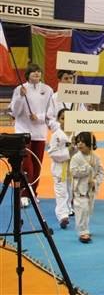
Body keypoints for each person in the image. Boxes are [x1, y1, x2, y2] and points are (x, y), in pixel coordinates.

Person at [9, 63, 54, 207]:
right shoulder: (19, 89)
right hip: (23, 132)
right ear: (27, 74)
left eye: (38, 72)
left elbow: (50, 112)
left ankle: (33, 193)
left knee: (37, 165)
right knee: (27, 165)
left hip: (40, 133)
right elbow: (14, 112)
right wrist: (20, 97)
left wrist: (39, 117)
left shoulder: (48, 90)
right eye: (33, 72)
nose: (36, 74)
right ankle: (24, 193)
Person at [70, 132, 104, 243]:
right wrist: (86, 168)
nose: (79, 144)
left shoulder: (96, 157)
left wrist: (95, 181)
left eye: (82, 142)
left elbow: (101, 173)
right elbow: (73, 172)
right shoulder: (76, 158)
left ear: (90, 143)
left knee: (88, 210)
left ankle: (85, 227)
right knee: (81, 209)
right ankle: (82, 231)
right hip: (80, 189)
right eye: (78, 141)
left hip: (91, 190)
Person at [47, 108, 76, 229]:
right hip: (60, 169)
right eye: (63, 118)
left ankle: (68, 208)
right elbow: (52, 153)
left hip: (72, 168)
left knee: (70, 191)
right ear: (59, 120)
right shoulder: (56, 136)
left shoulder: (76, 134)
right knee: (61, 192)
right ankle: (62, 216)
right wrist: (68, 151)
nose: (65, 121)